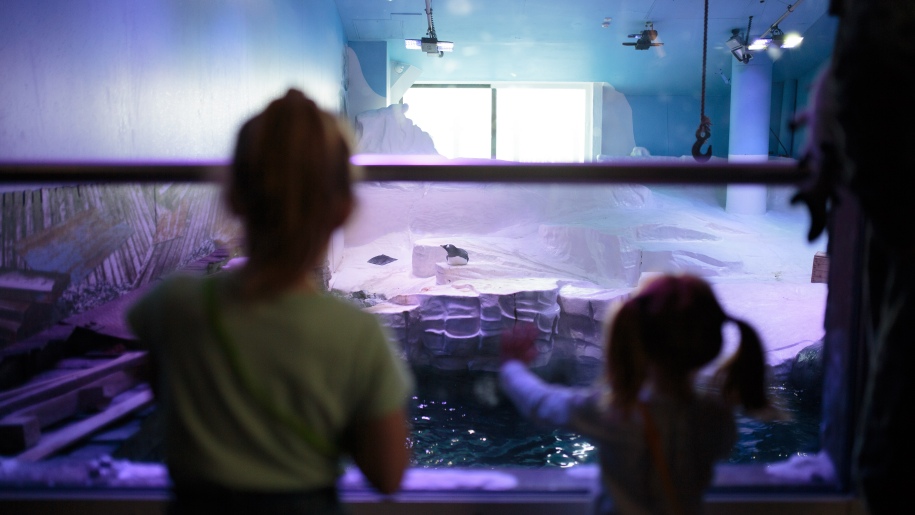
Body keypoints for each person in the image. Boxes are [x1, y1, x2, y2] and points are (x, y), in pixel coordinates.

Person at [127, 89, 414, 515]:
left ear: (233, 198)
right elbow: (388, 474)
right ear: (344, 210)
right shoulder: (356, 334)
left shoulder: (174, 304)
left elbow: (156, 381)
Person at [499, 273, 779, 515]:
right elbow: (721, 448)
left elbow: (541, 403)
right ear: (712, 344)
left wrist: (512, 366)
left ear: (636, 339)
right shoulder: (716, 413)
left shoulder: (617, 411)